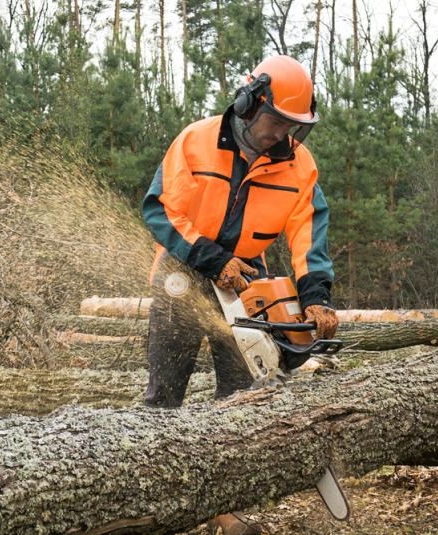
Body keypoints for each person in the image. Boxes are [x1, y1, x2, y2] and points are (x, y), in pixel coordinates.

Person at [141, 55, 338, 533]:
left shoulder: (297, 163)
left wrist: (316, 295)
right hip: (185, 273)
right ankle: (147, 497)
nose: (279, 135)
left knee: (239, 396)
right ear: (249, 104)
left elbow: (308, 232)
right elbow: (160, 211)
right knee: (165, 393)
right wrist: (212, 259)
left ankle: (222, 507)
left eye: (291, 126)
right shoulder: (196, 141)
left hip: (247, 281)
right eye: (274, 122)